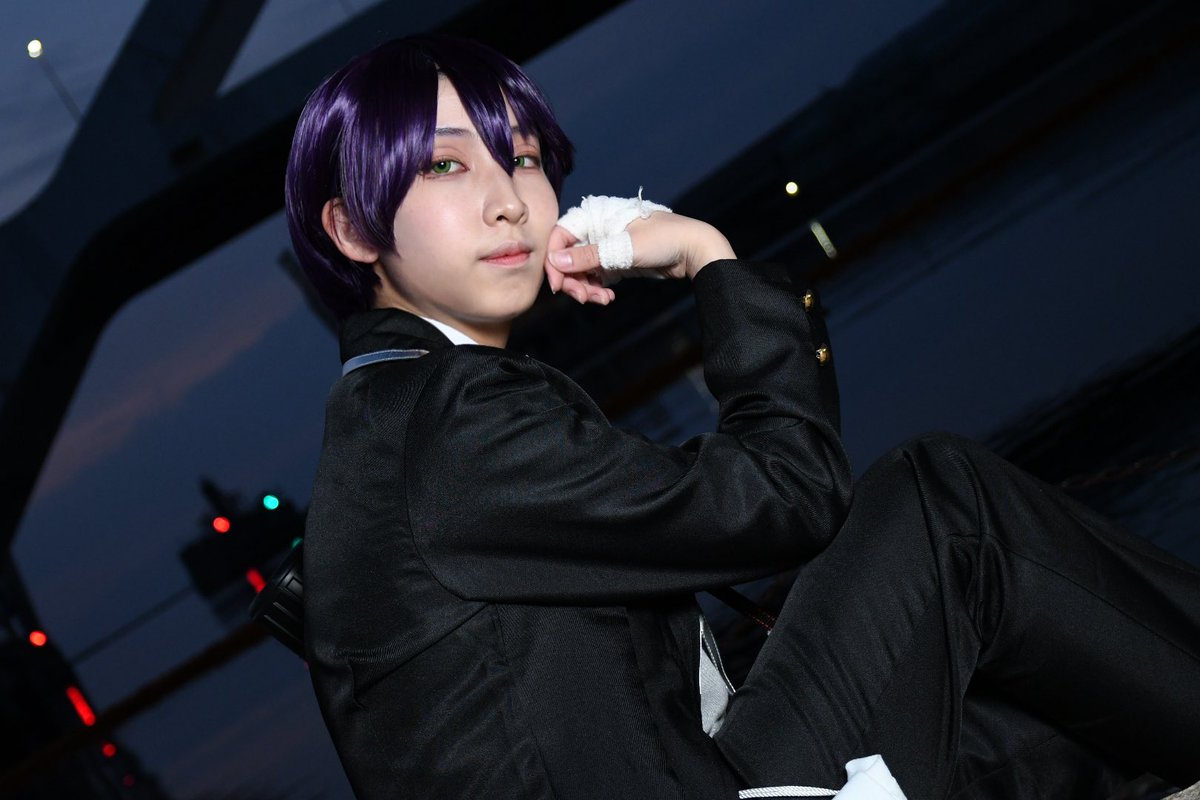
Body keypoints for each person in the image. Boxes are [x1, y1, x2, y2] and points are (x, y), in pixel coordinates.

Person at [284, 35, 1200, 799]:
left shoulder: (386, 416)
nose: (509, 200)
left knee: (1019, 731)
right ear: (353, 230)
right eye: (446, 165)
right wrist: (708, 259)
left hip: (700, 768)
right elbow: (789, 494)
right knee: (942, 505)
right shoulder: (447, 422)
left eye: (520, 156)